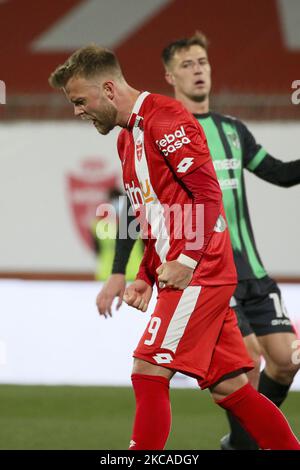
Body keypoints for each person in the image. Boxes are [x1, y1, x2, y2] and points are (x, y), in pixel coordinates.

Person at [49, 45, 300, 450]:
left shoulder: (167, 119)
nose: (78, 111)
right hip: (190, 271)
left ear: (109, 89)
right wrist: (145, 275)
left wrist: (184, 259)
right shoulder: (126, 139)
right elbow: (154, 219)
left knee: (147, 369)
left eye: (80, 101)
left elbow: (208, 194)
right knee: (231, 388)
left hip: (200, 271)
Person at [91, 187, 143, 283]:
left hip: (131, 276)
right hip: (107, 277)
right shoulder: (98, 226)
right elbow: (97, 249)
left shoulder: (138, 223)